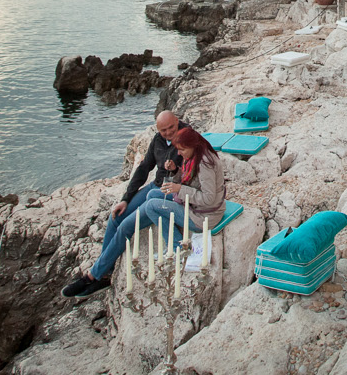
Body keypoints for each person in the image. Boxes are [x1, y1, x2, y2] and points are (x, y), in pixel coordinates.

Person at [62, 126, 226, 298]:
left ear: (193, 145)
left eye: (181, 150)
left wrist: (179, 188)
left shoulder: (205, 163)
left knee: (146, 209)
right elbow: (180, 179)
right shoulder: (191, 155)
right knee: (152, 195)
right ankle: (101, 273)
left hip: (202, 214)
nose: (179, 154)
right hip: (191, 204)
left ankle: (177, 246)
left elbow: (208, 198)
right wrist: (175, 172)